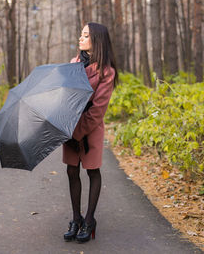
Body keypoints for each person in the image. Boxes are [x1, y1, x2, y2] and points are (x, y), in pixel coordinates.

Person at [62, 22, 118, 243]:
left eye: (85, 35)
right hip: (70, 124)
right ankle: (76, 219)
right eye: (81, 35)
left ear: (96, 40)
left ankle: (90, 220)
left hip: (90, 129)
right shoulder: (73, 64)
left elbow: (98, 110)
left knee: (92, 171)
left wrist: (79, 134)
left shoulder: (107, 71)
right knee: (71, 171)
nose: (80, 38)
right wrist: (68, 127)